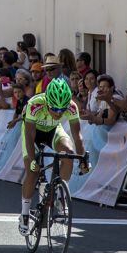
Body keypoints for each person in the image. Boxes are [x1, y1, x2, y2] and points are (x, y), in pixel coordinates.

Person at [19, 78, 89, 235]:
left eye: (62, 110)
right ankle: (24, 213)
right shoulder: (35, 104)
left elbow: (77, 136)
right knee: (33, 171)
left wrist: (82, 158)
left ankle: (59, 196)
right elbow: (29, 135)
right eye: (54, 109)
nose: (58, 113)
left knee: (69, 154)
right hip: (33, 133)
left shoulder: (72, 106)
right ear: (47, 102)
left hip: (53, 131)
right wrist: (32, 160)